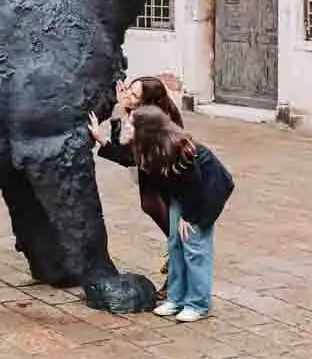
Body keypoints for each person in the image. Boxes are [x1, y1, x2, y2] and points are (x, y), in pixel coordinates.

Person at [90, 105, 234, 322]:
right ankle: (176, 298)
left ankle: (198, 304)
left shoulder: (178, 148)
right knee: (175, 244)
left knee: (194, 247)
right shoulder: (146, 146)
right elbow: (128, 159)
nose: (126, 126)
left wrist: (190, 217)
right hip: (181, 195)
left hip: (204, 196)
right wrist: (101, 138)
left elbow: (194, 185)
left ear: (145, 130)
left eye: (130, 124)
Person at [96, 75, 186, 280]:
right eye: (129, 88)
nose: (127, 94)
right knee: (152, 206)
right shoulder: (145, 113)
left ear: (146, 102)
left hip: (166, 178)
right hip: (153, 174)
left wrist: (102, 141)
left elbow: (128, 155)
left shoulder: (153, 122)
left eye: (133, 94)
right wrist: (123, 108)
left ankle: (177, 271)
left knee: (169, 221)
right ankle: (176, 256)